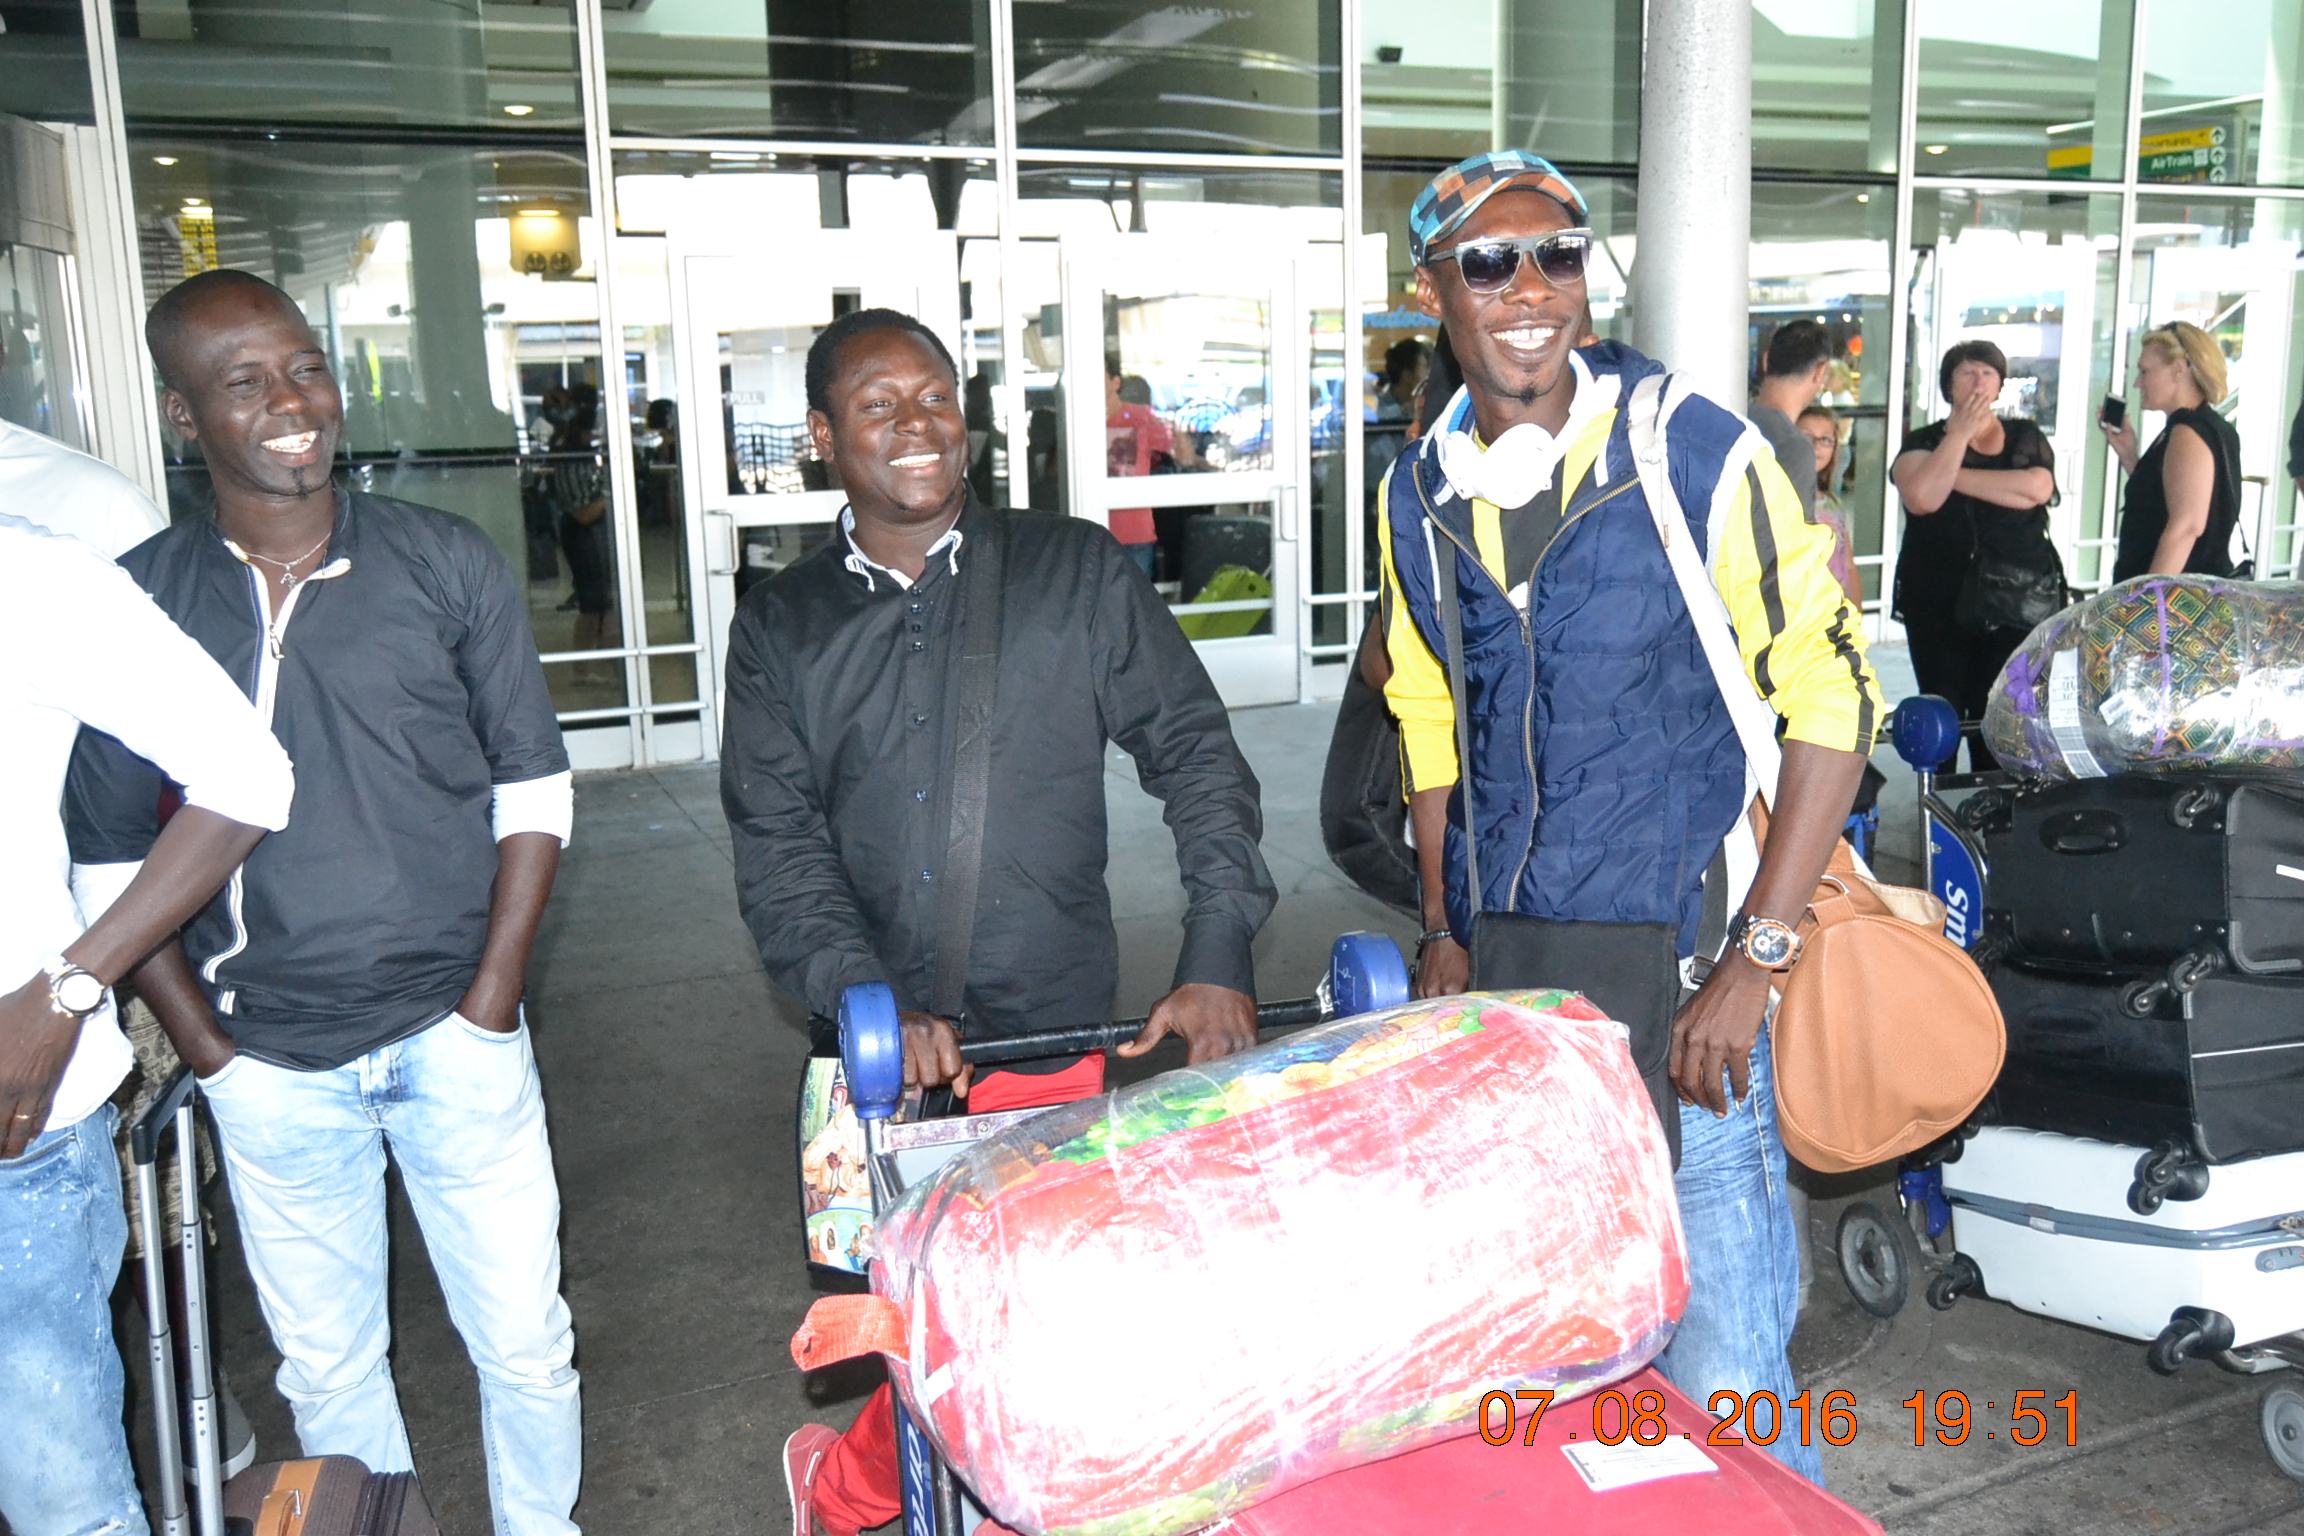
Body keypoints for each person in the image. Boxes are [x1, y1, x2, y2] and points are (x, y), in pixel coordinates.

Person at [726, 308, 1276, 1536]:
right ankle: (854, 1490)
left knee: (1066, 1329)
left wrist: (1219, 950)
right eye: (879, 406)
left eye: (935, 397)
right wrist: (861, 993)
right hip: (870, 1076)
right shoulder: (782, 625)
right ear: (822, 438)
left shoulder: (1071, 571)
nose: (917, 426)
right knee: (903, 1342)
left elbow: (1197, 757)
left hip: (1055, 1043)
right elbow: (778, 843)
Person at [1378, 150, 1879, 1486]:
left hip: (1689, 981)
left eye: (1557, 253)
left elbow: (1835, 698)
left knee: (1724, 1371)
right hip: (1526, 999)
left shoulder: (1691, 452)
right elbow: (1433, 715)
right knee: (1571, 1361)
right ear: (1434, 289)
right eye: (1488, 261)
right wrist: (1443, 922)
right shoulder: (1413, 494)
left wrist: (1756, 963)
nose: (1527, 285)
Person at [66, 269, 582, 1535]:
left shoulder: (441, 560)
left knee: (525, 1345)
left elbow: (535, 785)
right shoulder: (136, 602)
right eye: (244, 382)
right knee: (333, 1374)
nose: (291, 402)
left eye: (302, 367)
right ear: (187, 418)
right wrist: (208, 1050)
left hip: (456, 1041)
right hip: (273, 1066)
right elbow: (104, 854)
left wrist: (492, 1000)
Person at [1, 512, 292, 1536]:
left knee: (60, 1502)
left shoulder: (28, 572)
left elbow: (247, 773)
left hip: (14, 1142)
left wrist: (70, 986)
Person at [1889, 340, 2057, 772]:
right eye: (1967, 372)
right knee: (1941, 710)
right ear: (1948, 384)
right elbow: (1923, 496)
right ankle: (1940, 821)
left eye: (1987, 372)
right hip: (1937, 601)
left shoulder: (2023, 436)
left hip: (2013, 602)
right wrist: (1959, 436)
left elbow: (2037, 489)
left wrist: (1950, 476)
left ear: (2001, 384)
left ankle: (1990, 818)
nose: (1978, 381)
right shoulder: (1924, 441)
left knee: (1997, 713)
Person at [2104, 321, 2242, 582]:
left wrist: (2144, 604)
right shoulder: (2207, 428)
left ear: (2179, 369)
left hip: (2176, 608)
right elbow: (2165, 502)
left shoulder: (2187, 433)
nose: (2137, 383)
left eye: (2145, 371)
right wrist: (2130, 457)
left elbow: (2186, 527)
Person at [553, 383, 620, 674]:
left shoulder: (582, 457)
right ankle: (582, 668)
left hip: (593, 534)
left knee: (604, 604)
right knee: (592, 606)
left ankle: (609, 661)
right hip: (583, 537)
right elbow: (583, 514)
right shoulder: (571, 461)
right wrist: (611, 491)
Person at [1749, 318, 1834, 515]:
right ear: (1820, 372)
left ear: (1765, 360)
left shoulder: (1735, 420)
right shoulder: (1793, 446)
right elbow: (1792, 540)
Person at [1103, 357, 1171, 577]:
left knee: (1136, 606)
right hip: (1091, 529)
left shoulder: (1141, 417)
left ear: (1116, 382)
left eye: (1098, 375)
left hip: (1135, 532)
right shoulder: (1075, 423)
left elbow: (1180, 454)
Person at [1799, 404, 1864, 605]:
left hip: (1837, 613)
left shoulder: (1833, 504)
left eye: (1825, 439)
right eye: (1806, 437)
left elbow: (1848, 565)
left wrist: (1856, 615)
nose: (1816, 445)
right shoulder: (1782, 501)